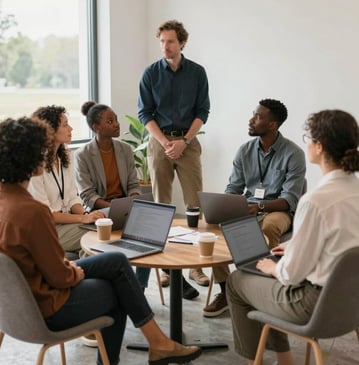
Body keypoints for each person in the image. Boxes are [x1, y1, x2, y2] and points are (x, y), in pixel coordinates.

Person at [0, 116, 202, 365]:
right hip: (44, 307)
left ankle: (159, 344)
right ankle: (156, 346)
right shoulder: (32, 212)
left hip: (8, 307)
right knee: (116, 292)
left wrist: (73, 270)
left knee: (117, 261)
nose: (46, 154)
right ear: (29, 156)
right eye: (41, 149)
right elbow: (61, 278)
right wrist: (75, 272)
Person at [226, 109, 359, 365]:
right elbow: (344, 245)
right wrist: (295, 249)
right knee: (269, 276)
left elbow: (290, 276)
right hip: (350, 303)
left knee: (239, 280)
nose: (305, 142)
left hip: (313, 305)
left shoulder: (316, 201)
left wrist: (272, 267)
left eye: (307, 137)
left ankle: (253, 360)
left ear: (319, 147)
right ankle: (285, 360)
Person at [203, 99, 306, 318]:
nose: (251, 120)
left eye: (258, 117)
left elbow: (289, 199)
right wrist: (225, 205)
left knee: (269, 227)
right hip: (247, 206)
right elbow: (234, 187)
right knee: (212, 224)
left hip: (278, 210)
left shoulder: (294, 154)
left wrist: (259, 206)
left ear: (272, 125)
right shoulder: (244, 151)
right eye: (253, 114)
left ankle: (262, 289)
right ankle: (225, 291)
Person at [138, 19, 210, 297]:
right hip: (159, 143)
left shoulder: (197, 73)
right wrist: (167, 143)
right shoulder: (150, 74)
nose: (165, 47)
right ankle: (164, 269)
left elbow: (202, 111)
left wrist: (185, 142)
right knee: (160, 205)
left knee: (195, 204)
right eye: (162, 42)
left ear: (182, 43)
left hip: (188, 143)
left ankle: (195, 267)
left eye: (170, 41)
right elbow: (145, 113)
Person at [75, 101, 150, 291]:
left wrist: (131, 201)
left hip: (124, 207)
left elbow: (133, 183)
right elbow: (87, 194)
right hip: (100, 210)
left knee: (150, 232)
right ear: (96, 128)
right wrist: (111, 208)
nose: (116, 124)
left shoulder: (124, 149)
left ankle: (138, 287)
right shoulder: (83, 155)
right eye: (110, 121)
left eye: (116, 119)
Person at [29, 105, 106, 258]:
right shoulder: (35, 165)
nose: (71, 128)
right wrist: (83, 218)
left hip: (68, 223)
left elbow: (72, 198)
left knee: (100, 230)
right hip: (46, 230)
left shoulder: (65, 157)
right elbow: (46, 214)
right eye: (65, 125)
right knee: (98, 236)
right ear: (49, 130)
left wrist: (87, 215)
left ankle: (82, 277)